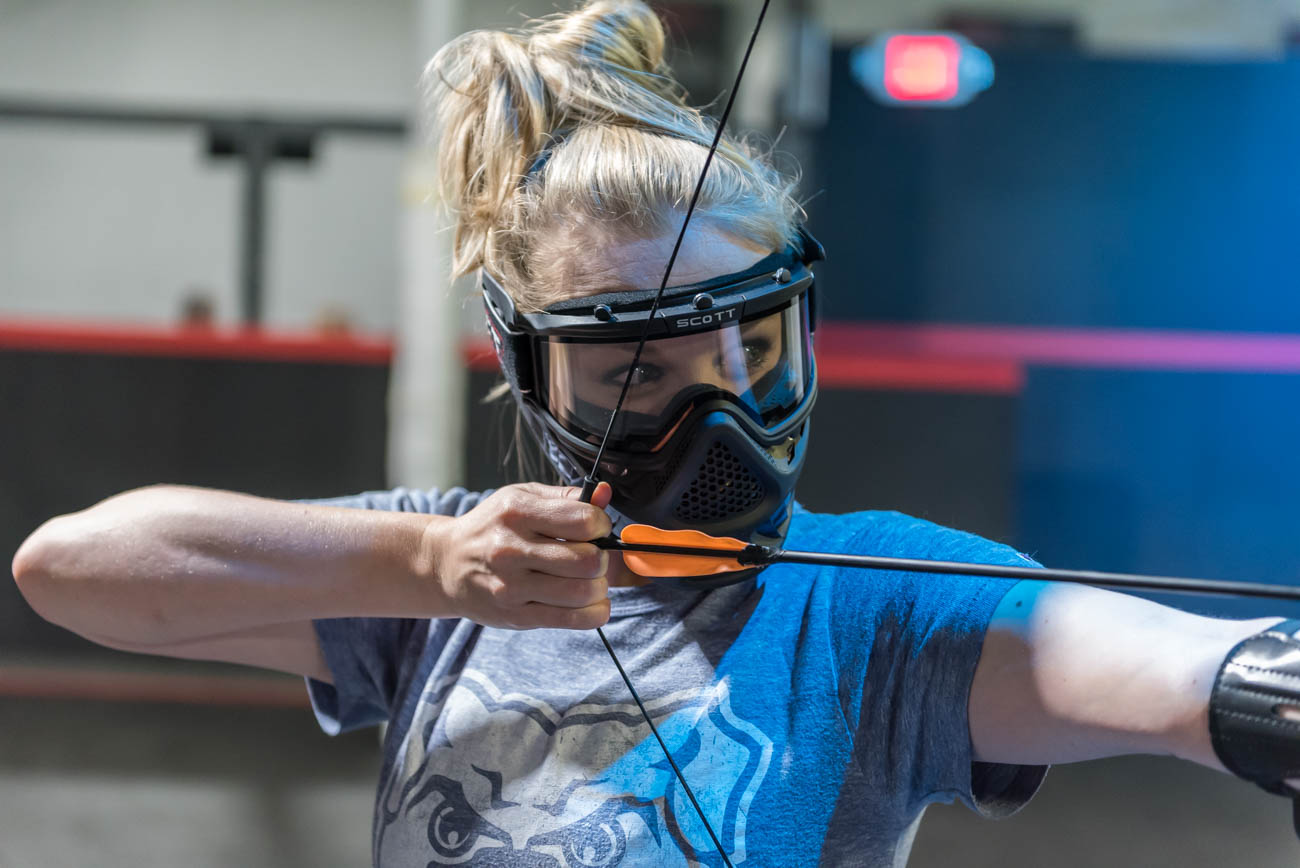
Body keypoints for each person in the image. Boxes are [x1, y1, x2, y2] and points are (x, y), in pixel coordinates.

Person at [10, 2, 1300, 865]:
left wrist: (1259, 687)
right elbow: (70, 569)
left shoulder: (876, 617)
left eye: (757, 347)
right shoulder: (446, 576)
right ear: (536, 372)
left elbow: (1165, 672)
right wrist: (420, 568)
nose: (724, 409)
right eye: (643, 372)